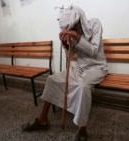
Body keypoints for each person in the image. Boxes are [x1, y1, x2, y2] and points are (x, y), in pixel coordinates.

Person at [22, 6, 108, 141]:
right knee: (52, 79)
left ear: (80, 21)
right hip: (79, 68)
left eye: (74, 27)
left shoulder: (95, 24)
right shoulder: (74, 32)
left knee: (83, 87)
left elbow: (94, 51)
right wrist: (65, 44)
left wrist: (76, 36)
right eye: (70, 29)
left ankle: (82, 130)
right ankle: (43, 119)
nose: (72, 31)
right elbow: (71, 55)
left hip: (96, 68)